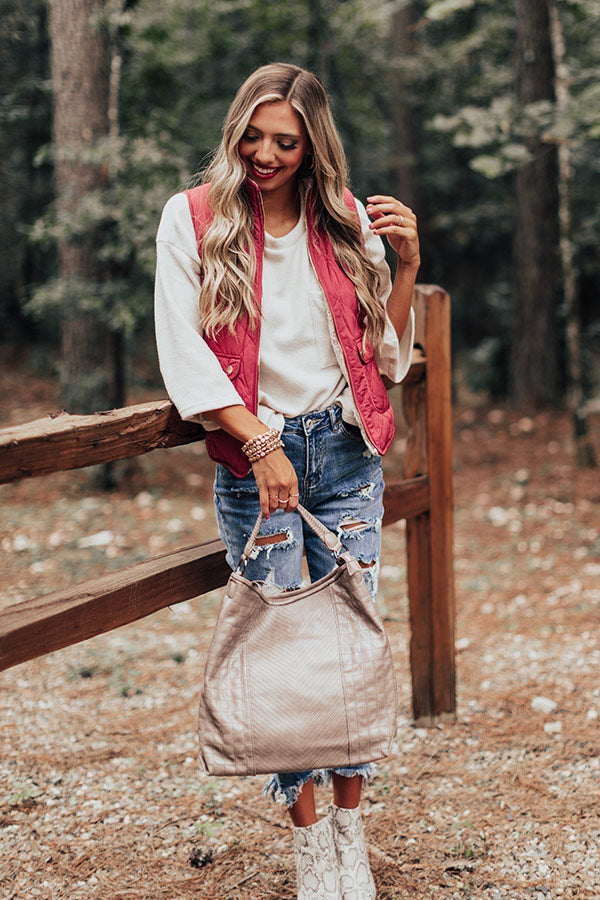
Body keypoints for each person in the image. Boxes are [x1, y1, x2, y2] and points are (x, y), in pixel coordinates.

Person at [155, 62, 420, 900]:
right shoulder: (192, 218)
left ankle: (351, 832)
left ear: (312, 149)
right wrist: (256, 442)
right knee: (278, 655)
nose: (265, 154)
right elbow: (183, 353)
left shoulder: (342, 218)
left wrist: (405, 266)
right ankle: (310, 849)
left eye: (286, 142)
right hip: (254, 463)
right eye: (255, 135)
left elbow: (386, 357)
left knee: (350, 644)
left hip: (344, 457)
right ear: (236, 129)